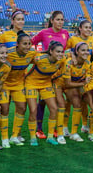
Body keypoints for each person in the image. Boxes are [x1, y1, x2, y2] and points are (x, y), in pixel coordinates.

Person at [31, 11, 70, 139]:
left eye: (62, 20)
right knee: (42, 102)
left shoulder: (65, 34)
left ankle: (54, 129)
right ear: (52, 20)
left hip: (58, 73)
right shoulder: (44, 33)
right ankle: (39, 129)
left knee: (57, 103)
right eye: (58, 19)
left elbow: (66, 50)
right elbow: (31, 43)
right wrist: (40, 54)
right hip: (45, 73)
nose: (60, 22)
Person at [0, 31, 37, 147]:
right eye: (24, 44)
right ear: (17, 44)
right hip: (4, 84)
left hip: (19, 84)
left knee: (21, 108)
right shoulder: (8, 53)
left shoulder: (32, 53)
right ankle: (4, 138)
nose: (27, 46)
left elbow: (42, 59)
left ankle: (14, 136)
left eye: (29, 44)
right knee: (4, 109)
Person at [25, 41, 65, 146]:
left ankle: (50, 136)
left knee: (54, 109)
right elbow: (24, 61)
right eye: (57, 52)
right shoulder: (39, 58)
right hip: (31, 83)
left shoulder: (62, 60)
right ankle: (33, 137)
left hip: (46, 84)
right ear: (51, 51)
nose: (60, 54)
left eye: (62, 52)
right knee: (33, 110)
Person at [66, 20, 93, 134]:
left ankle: (84, 125)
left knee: (84, 102)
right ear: (80, 28)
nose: (88, 29)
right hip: (72, 72)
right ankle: (65, 128)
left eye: (90, 27)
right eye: (86, 27)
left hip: (85, 72)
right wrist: (72, 55)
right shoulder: (73, 39)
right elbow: (64, 50)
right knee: (69, 102)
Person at [58, 42, 92, 143]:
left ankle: (72, 132)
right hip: (60, 85)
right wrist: (83, 84)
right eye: (83, 50)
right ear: (77, 52)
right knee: (72, 103)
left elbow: (86, 79)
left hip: (74, 85)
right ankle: (64, 130)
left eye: (87, 50)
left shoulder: (88, 64)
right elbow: (67, 84)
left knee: (75, 102)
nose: (86, 52)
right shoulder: (69, 63)